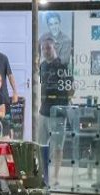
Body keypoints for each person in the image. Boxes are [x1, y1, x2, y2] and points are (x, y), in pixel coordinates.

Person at [38, 37, 73, 186]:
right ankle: (43, 175)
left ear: (54, 48)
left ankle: (55, 177)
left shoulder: (63, 66)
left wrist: (64, 97)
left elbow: (71, 90)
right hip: (43, 112)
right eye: (43, 48)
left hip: (58, 114)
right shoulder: (42, 66)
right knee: (41, 146)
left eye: (48, 48)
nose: (46, 51)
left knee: (57, 147)